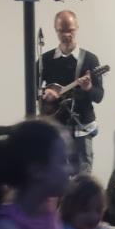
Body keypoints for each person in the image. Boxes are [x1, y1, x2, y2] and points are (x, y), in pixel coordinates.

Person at [39, 10, 105, 174]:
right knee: (56, 175)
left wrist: (88, 88)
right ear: (55, 29)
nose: (66, 35)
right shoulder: (45, 60)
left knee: (83, 177)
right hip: (54, 127)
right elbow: (32, 89)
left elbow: (99, 96)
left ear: (77, 28)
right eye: (61, 31)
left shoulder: (90, 59)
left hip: (82, 125)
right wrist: (45, 94)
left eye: (70, 30)